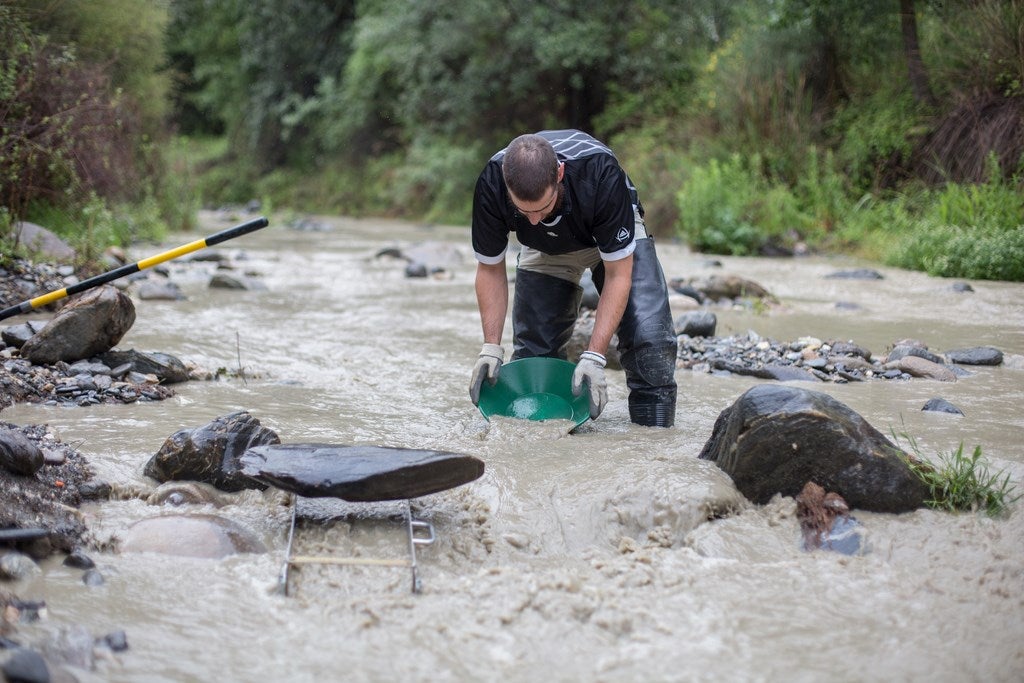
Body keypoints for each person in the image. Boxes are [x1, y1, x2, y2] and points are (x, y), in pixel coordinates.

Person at [467, 129, 678, 427]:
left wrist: (594, 356)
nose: (534, 220)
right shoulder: (492, 182)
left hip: (608, 242)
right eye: (523, 211)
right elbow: (489, 269)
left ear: (560, 174)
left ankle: (654, 439)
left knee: (650, 343)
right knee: (534, 365)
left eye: (542, 207)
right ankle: (549, 444)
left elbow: (618, 275)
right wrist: (490, 347)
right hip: (545, 250)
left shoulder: (600, 173)